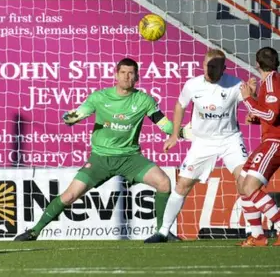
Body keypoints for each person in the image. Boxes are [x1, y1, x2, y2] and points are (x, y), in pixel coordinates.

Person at [14, 58, 186, 241]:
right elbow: (80, 111)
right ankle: (34, 231)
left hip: (130, 158)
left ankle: (162, 233)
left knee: (164, 183)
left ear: (137, 76)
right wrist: (71, 117)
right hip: (100, 159)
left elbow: (165, 125)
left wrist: (185, 132)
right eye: (123, 73)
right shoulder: (99, 97)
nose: (127, 77)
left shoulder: (144, 100)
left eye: (131, 73)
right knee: (69, 196)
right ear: (115, 75)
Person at [144, 49, 252, 243]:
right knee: (182, 184)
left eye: (214, 67)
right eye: (206, 66)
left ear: (223, 69)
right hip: (203, 142)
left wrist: (252, 99)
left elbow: (251, 105)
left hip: (230, 140)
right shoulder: (192, 85)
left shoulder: (235, 84)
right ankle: (163, 232)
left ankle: (255, 232)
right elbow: (179, 106)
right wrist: (175, 134)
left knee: (245, 181)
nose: (209, 70)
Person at [239, 46, 280, 247]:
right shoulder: (269, 82)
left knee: (250, 186)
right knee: (242, 183)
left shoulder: (272, 80)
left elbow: (272, 115)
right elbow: (271, 114)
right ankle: (257, 235)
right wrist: (256, 114)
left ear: (257, 64)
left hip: (275, 142)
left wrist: (248, 99)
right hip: (270, 140)